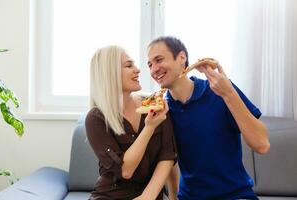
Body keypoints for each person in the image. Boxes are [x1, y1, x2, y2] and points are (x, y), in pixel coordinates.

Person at [147, 36, 270, 200]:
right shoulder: (162, 110)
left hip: (235, 195)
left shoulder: (220, 90)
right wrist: (173, 197)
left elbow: (262, 145)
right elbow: (168, 158)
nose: (154, 69)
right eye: (149, 64)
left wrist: (229, 94)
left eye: (159, 60)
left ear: (182, 57)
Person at [85, 45, 177, 200]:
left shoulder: (154, 103)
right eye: (129, 65)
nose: (137, 70)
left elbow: (167, 156)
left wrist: (154, 196)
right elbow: (125, 170)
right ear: (110, 74)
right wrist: (149, 128)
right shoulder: (95, 119)